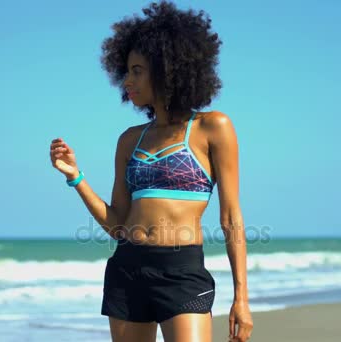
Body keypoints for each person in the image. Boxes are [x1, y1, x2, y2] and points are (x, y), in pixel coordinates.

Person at [50, 1, 253, 341]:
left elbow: (231, 217)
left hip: (182, 272)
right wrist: (76, 177)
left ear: (167, 68)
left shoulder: (212, 127)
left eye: (137, 70)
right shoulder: (130, 140)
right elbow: (117, 225)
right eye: (126, 70)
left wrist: (241, 299)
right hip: (127, 271)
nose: (127, 80)